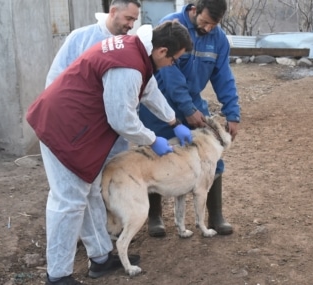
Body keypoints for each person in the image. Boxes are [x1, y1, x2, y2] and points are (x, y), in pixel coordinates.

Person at [27, 21, 193, 285]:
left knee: (90, 192)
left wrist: (174, 122)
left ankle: (101, 258)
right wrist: (153, 140)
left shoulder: (138, 52)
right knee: (68, 201)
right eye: (174, 59)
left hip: (78, 128)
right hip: (63, 127)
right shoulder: (128, 65)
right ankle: (57, 275)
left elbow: (149, 91)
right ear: (161, 51)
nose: (173, 64)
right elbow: (122, 119)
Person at [139, 0, 241, 237]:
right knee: (156, 156)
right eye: (204, 22)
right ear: (194, 10)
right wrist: (186, 109)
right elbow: (169, 73)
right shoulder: (172, 26)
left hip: (193, 101)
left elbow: (224, 76)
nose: (207, 29)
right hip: (159, 101)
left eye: (213, 25)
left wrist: (233, 113)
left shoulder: (218, 39)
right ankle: (155, 217)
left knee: (211, 156)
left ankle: (215, 215)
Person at [46, 0, 141, 87]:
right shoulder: (80, 37)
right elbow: (56, 76)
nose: (131, 25)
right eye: (128, 18)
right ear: (113, 12)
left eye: (134, 20)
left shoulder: (129, 45)